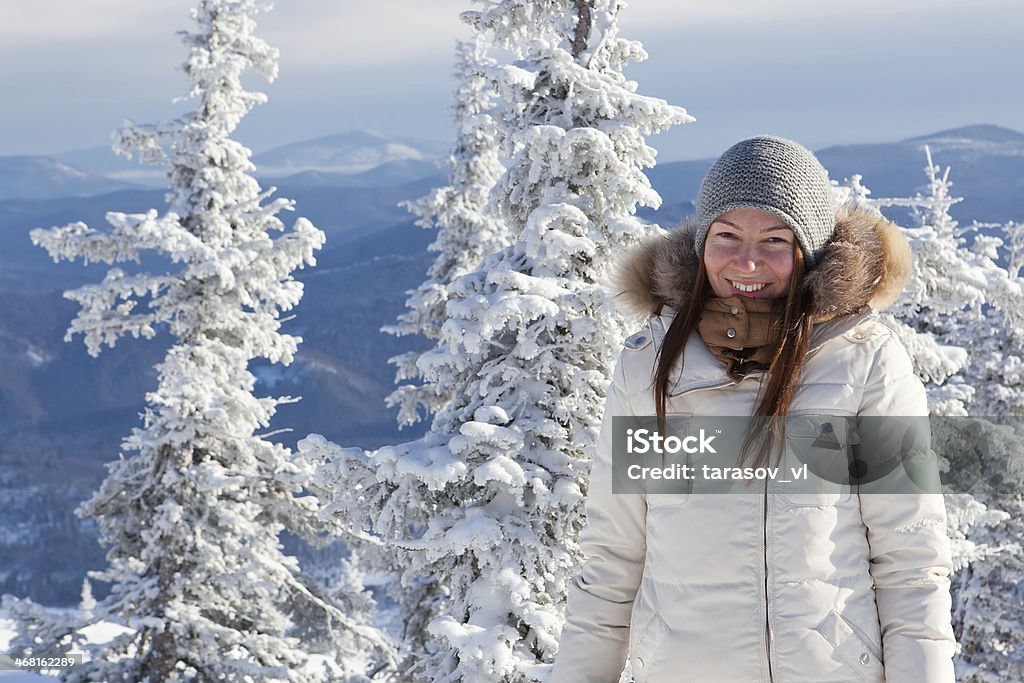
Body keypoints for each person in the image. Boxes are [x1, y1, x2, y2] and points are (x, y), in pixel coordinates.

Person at [550, 136, 956, 682]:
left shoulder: (864, 363)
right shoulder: (648, 366)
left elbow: (910, 562)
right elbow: (612, 560)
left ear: (807, 250)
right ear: (701, 242)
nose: (747, 260)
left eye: (774, 239)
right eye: (727, 235)